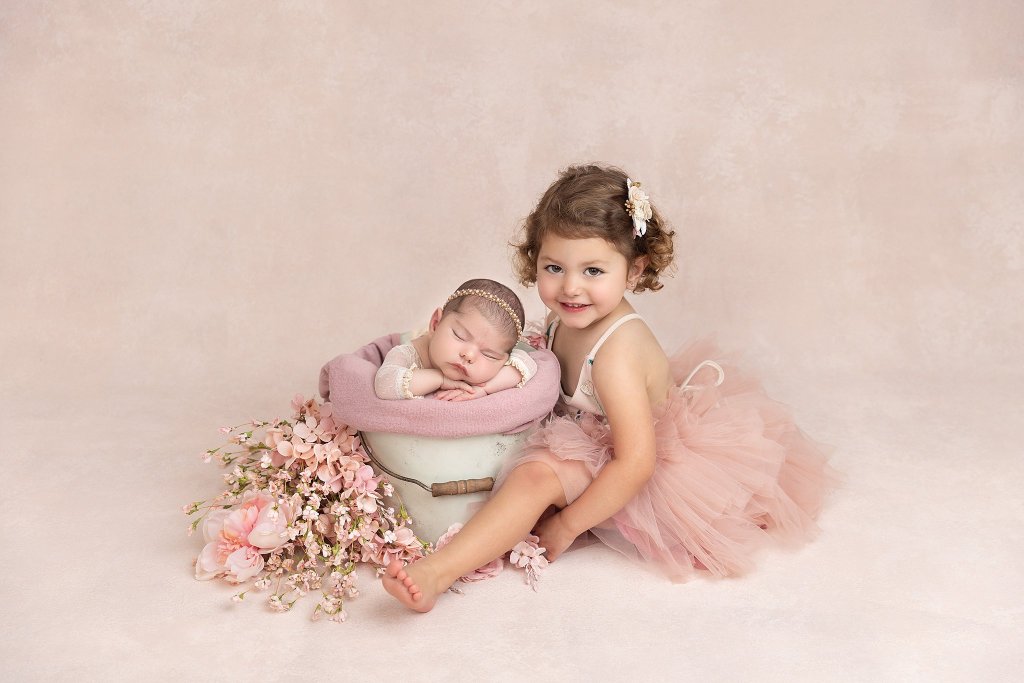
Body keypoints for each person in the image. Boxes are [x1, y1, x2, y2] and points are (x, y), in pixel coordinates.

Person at [383, 165, 837, 611]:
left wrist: (568, 524)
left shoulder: (616, 354)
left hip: (637, 453)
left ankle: (437, 572)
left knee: (533, 478)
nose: (571, 287)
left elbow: (636, 461)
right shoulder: (568, 314)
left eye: (594, 271)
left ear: (634, 270)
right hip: (594, 430)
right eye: (554, 267)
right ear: (535, 258)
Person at [374, 278, 537, 401]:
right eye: (460, 336)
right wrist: (440, 379)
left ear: (504, 359)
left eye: (489, 355)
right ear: (436, 324)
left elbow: (529, 364)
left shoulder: (503, 362)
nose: (469, 355)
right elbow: (384, 384)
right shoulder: (407, 353)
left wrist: (486, 389)